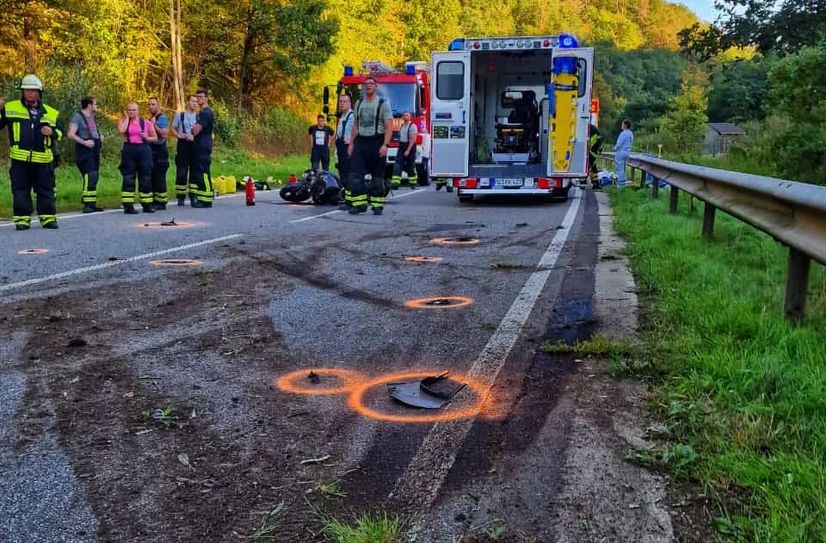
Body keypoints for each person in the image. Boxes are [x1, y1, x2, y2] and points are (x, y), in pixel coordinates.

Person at [0, 74, 62, 230]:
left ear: (39, 92)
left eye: (33, 90)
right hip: (20, 159)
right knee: (20, 190)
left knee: (46, 190)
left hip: (43, 160)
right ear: (22, 91)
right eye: (26, 90)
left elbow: (61, 133)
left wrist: (52, 132)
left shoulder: (52, 113)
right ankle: (22, 220)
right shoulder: (10, 108)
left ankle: (48, 218)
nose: (29, 93)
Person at [347, 76, 393, 215]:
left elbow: (389, 126)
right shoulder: (359, 103)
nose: (368, 86)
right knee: (355, 175)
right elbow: (356, 125)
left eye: (371, 84)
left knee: (377, 176)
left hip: (376, 141)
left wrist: (385, 145)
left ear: (376, 86)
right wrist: (351, 144)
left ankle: (377, 205)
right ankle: (359, 204)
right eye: (366, 84)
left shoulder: (382, 104)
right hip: (361, 142)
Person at [117, 102, 157, 214]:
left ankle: (147, 204)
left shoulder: (146, 123)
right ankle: (128, 206)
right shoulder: (123, 121)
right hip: (129, 149)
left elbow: (155, 138)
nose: (131, 112)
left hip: (144, 150)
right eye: (129, 110)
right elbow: (122, 130)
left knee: (145, 177)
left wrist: (146, 137)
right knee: (128, 177)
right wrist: (126, 118)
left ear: (138, 111)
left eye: (134, 110)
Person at [67, 96, 103, 213]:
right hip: (84, 152)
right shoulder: (78, 116)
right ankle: (87, 205)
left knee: (94, 176)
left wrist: (99, 136)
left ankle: (91, 204)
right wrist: (84, 142)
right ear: (89, 104)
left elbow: (92, 131)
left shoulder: (91, 117)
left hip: (94, 151)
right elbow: (71, 134)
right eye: (95, 104)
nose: (96, 106)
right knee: (90, 176)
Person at [171, 94, 198, 206]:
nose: (195, 103)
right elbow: (172, 128)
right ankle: (181, 197)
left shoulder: (199, 116)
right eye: (192, 101)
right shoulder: (180, 115)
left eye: (196, 101)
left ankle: (193, 196)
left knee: (194, 172)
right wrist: (178, 135)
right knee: (181, 172)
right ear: (188, 102)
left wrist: (194, 137)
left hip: (195, 145)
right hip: (182, 145)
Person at [191, 87, 214, 208]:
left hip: (203, 146)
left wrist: (193, 127)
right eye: (197, 97)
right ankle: (202, 198)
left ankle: (206, 199)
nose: (198, 99)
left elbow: (195, 130)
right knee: (200, 172)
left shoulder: (205, 113)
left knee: (204, 172)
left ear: (206, 98)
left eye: (201, 97)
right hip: (200, 145)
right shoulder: (202, 112)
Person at [148, 97, 170, 210]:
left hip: (160, 152)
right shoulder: (151, 118)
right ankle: (154, 201)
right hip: (151, 152)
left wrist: (154, 125)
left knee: (159, 178)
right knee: (152, 177)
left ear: (158, 105)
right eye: (149, 104)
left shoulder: (162, 118)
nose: (151, 106)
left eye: (153, 104)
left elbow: (165, 134)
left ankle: (161, 202)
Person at [335, 94, 354, 209]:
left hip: (347, 149)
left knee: (348, 176)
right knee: (343, 175)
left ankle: (350, 201)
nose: (342, 103)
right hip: (341, 148)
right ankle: (348, 200)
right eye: (341, 101)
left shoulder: (351, 116)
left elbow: (355, 132)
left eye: (344, 101)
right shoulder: (342, 116)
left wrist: (351, 142)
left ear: (349, 103)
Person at [390, 110, 418, 189]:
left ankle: (413, 183)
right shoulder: (401, 126)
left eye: (407, 115)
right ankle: (395, 184)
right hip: (401, 147)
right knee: (397, 165)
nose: (405, 116)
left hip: (410, 146)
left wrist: (408, 150)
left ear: (410, 117)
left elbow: (413, 139)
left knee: (410, 166)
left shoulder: (413, 126)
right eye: (404, 115)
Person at [614, 119, 634, 188]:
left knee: (619, 168)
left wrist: (615, 148)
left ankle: (621, 184)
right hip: (627, 152)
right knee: (623, 167)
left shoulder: (623, 133)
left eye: (622, 124)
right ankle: (623, 183)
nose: (621, 125)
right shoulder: (631, 133)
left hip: (621, 151)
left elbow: (619, 143)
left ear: (625, 125)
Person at [588, 123, 604, 189]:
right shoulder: (594, 129)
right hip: (593, 152)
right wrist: (600, 150)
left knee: (588, 166)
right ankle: (595, 183)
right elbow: (599, 141)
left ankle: (583, 181)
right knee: (593, 167)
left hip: (587, 151)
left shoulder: (584, 127)